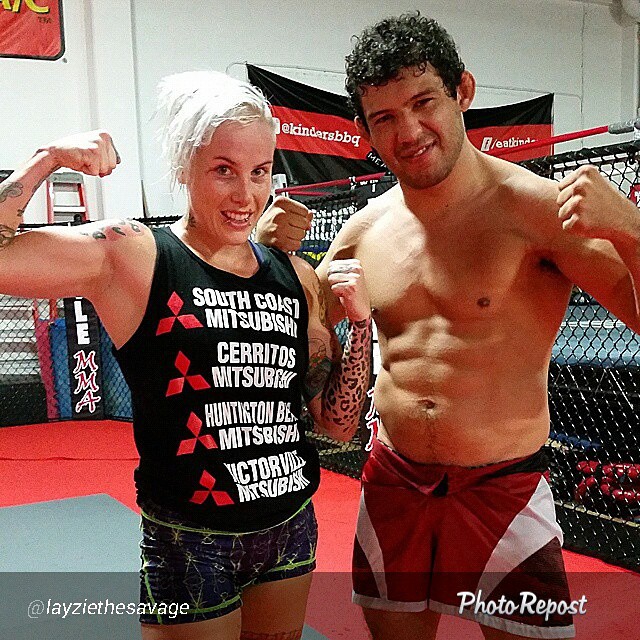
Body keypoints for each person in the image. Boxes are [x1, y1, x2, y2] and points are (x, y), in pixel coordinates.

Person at [255, 12, 640, 640]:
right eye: (384, 117)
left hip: (502, 489)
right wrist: (264, 257)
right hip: (393, 481)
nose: (408, 132)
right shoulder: (361, 233)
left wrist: (632, 229)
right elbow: (294, 343)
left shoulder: (537, 211)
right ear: (365, 131)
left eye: (423, 102)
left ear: (463, 90)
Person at [0, 70, 372, 640]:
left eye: (259, 171)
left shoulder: (294, 276)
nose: (245, 195)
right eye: (223, 170)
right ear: (184, 168)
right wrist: (48, 158)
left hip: (290, 529)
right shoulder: (133, 257)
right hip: (190, 540)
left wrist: (361, 326)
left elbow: (338, 424)